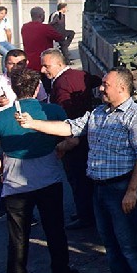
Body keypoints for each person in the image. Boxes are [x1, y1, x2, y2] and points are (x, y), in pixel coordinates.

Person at [16, 67, 137, 273]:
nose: (101, 88)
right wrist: (33, 124)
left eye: (106, 85)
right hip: (100, 189)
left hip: (122, 188)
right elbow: (69, 128)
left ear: (122, 88)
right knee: (111, 244)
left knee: (130, 244)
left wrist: (133, 190)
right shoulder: (99, 113)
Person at [0, 68, 78, 273]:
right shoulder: (53, 110)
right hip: (49, 179)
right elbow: (71, 140)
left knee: (17, 235)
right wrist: (59, 150)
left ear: (13, 88)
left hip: (16, 185)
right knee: (55, 229)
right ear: (38, 88)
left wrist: (3, 172)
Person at [40, 48, 100, 229]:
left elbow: (64, 114)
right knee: (84, 178)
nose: (43, 70)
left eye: (46, 66)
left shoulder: (61, 85)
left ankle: (85, 215)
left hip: (72, 138)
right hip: (86, 133)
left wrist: (66, 141)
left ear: (59, 64)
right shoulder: (79, 74)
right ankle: (87, 211)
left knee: (77, 178)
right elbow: (96, 81)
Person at [0, 49, 48, 220]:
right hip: (2, 134)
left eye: (19, 63)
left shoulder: (33, 80)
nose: (15, 67)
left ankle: (27, 208)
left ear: (26, 63)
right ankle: (3, 201)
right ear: (5, 64)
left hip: (28, 131)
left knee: (27, 171)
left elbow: (43, 102)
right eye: (11, 63)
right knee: (0, 172)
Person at [20, 7, 63, 72]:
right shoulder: (46, 28)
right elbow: (60, 37)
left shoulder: (24, 27)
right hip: (43, 64)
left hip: (29, 63)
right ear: (41, 16)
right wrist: (60, 24)